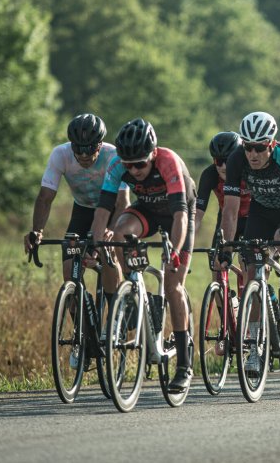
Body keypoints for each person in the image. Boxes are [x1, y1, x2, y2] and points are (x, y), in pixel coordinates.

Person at [90, 118, 197, 393]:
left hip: (178, 213)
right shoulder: (117, 165)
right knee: (119, 232)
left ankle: (184, 365)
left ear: (153, 153)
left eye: (140, 164)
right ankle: (134, 290)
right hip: (148, 209)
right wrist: (98, 243)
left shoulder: (168, 162)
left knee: (173, 284)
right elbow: (103, 211)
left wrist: (173, 251)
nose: (134, 170)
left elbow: (181, 215)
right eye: (129, 165)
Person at [218, 111, 280, 374]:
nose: (253, 154)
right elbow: (231, 211)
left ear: (272, 144)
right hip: (261, 209)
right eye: (248, 147)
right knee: (252, 272)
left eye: (259, 147)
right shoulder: (237, 159)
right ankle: (255, 347)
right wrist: (226, 244)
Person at [23, 113, 129, 281]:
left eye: (89, 148)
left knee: (109, 254)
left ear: (100, 145)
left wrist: (112, 230)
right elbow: (45, 198)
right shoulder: (60, 155)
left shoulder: (114, 157)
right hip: (82, 210)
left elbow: (122, 203)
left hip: (111, 211)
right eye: (78, 149)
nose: (84, 155)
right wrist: (37, 231)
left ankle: (115, 304)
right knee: (70, 263)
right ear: (71, 145)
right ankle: (75, 300)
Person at [194, 131, 251, 245]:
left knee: (249, 258)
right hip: (226, 216)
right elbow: (197, 214)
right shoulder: (209, 174)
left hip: (252, 218)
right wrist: (185, 240)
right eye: (219, 161)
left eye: (229, 160)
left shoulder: (250, 170)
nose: (224, 167)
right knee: (216, 259)